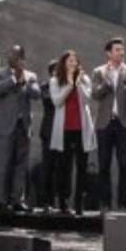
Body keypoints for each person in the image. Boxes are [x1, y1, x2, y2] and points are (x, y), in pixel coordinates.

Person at [92, 37, 126, 210]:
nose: (121, 52)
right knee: (104, 164)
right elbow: (95, 95)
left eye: (122, 49)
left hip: (124, 123)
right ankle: (105, 204)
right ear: (109, 53)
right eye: (117, 50)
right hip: (105, 123)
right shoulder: (99, 71)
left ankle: (123, 204)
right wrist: (106, 83)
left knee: (124, 164)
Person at [0, 44, 40, 212]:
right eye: (10, 53)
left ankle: (17, 199)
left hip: (23, 127)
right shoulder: (0, 73)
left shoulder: (30, 75)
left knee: (21, 165)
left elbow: (36, 94)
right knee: (2, 164)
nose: (11, 56)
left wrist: (25, 81)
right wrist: (13, 79)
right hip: (4, 126)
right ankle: (0, 199)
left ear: (22, 59)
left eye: (16, 55)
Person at [49, 50, 95, 215]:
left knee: (82, 167)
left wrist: (78, 84)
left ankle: (79, 204)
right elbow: (57, 101)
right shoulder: (55, 81)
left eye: (75, 61)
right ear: (63, 63)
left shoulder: (85, 80)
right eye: (70, 61)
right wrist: (69, 85)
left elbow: (87, 100)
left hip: (82, 129)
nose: (73, 64)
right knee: (64, 167)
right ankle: (63, 202)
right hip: (64, 130)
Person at [38, 61, 57, 209]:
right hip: (49, 131)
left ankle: (55, 201)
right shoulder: (45, 86)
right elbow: (50, 101)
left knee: (60, 167)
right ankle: (44, 201)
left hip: (63, 132)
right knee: (48, 167)